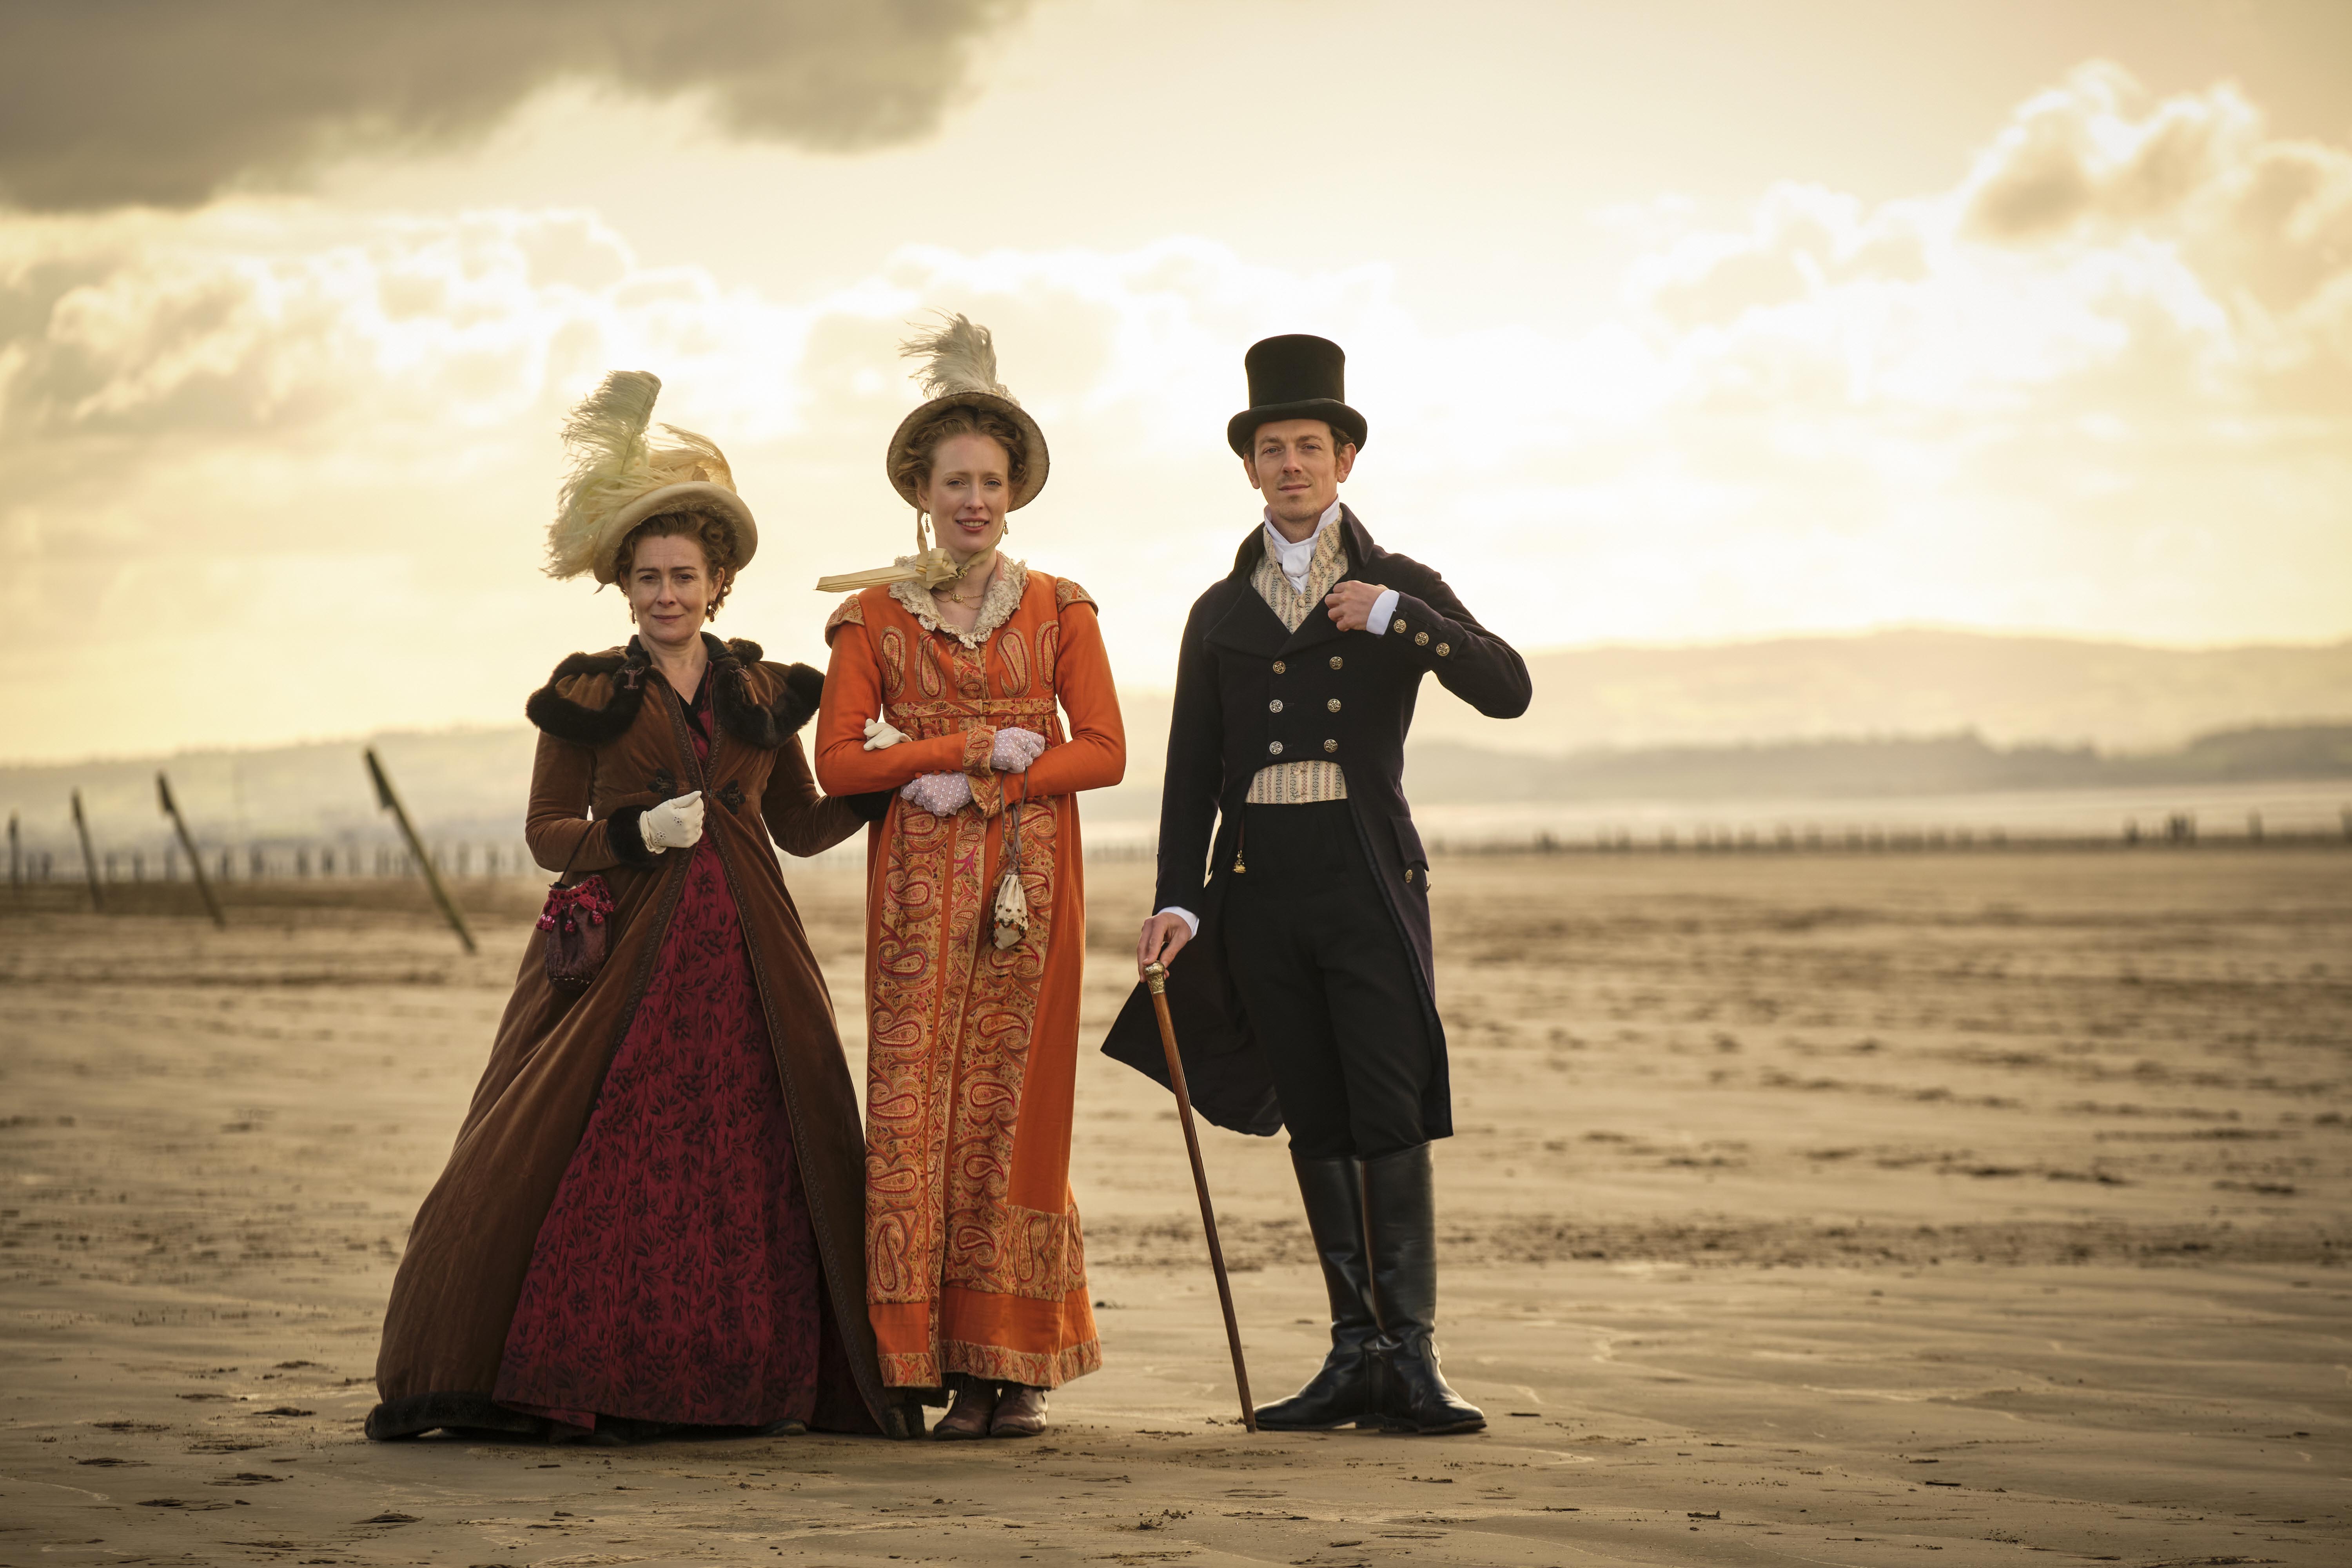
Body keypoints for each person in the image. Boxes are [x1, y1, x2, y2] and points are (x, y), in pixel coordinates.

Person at [368, 371, 905, 1444]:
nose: (666, 594)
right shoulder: (586, 694)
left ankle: (741, 1380)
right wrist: (629, 838)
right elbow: (544, 836)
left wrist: (885, 783)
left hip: (754, 965)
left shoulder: (762, 694)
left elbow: (798, 827)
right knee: (601, 1158)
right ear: (624, 586)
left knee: (754, 1166)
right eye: (648, 577)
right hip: (619, 962)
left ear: (719, 584)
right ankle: (594, 1377)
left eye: (685, 577)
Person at [1105, 334, 1531, 1436]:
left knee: (1387, 1109)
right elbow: (1190, 771)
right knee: (1318, 1117)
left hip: (1367, 877)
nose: (1290, 464)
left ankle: (1414, 1358)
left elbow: (1508, 689)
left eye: (1310, 445)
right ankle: (1354, 1355)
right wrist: (1178, 897)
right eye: (1270, 448)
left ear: (1345, 460)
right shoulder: (1217, 611)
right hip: (1257, 892)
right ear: (1249, 468)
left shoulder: (1401, 587)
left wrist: (1402, 620)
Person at [813, 316, 1125, 1440]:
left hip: (1031, 891)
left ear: (1015, 493)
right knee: (912, 1109)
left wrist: (996, 783)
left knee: (1012, 1113)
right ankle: (911, 1362)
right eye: (957, 480)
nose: (976, 500)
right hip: (913, 894)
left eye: (993, 481)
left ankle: (1013, 1373)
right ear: (921, 488)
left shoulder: (1061, 608)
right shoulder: (871, 617)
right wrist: (948, 753)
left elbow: (1104, 749)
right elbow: (840, 760)